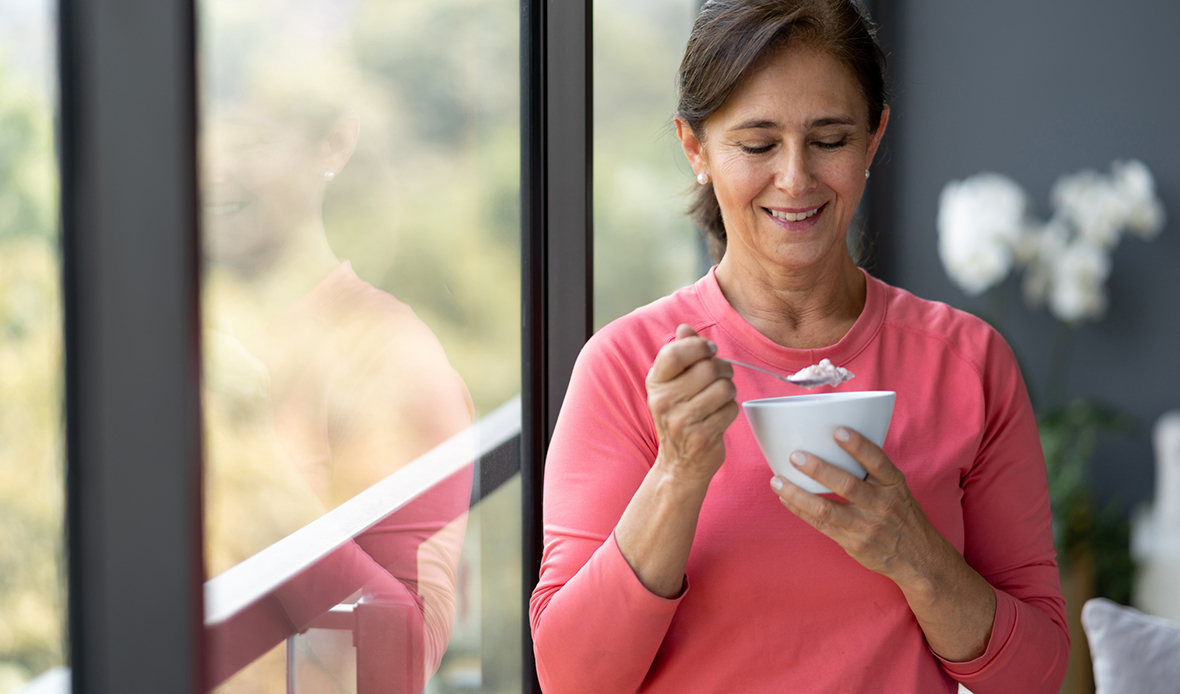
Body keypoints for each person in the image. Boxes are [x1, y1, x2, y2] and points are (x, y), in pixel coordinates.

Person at [528, 1, 1069, 692]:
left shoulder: (967, 362)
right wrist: (678, 472)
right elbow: (573, 678)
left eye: (831, 139)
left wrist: (915, 555)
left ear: (874, 139)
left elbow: (1038, 674)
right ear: (696, 149)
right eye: (757, 145)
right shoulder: (625, 366)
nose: (796, 179)